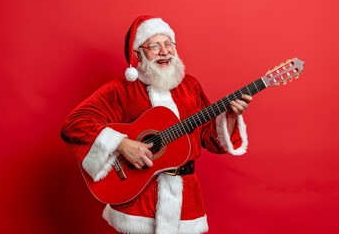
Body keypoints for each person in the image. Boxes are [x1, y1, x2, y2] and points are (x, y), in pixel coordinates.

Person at [61, 15, 252, 234]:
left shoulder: (190, 86)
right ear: (138, 54)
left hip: (186, 204)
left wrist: (228, 117)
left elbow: (210, 138)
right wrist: (121, 143)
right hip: (139, 202)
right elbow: (75, 124)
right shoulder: (121, 90)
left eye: (168, 44)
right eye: (154, 46)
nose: (165, 51)